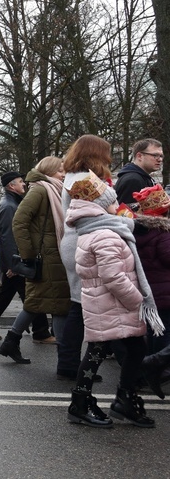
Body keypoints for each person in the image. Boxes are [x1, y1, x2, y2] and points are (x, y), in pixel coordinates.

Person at [64, 172, 163, 428]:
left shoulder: (98, 229)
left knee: (133, 349)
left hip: (109, 303)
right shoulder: (105, 234)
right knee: (98, 351)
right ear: (100, 206)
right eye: (112, 200)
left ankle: (124, 398)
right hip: (111, 304)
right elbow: (113, 277)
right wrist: (138, 302)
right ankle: (82, 403)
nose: (116, 204)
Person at [0, 157, 68, 363]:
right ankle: (66, 360)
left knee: (38, 302)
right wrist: (28, 255)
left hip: (53, 256)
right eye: (60, 170)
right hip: (47, 258)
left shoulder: (53, 189)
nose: (63, 174)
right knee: (59, 305)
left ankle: (11, 342)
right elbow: (19, 222)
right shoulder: (41, 189)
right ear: (49, 171)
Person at [58, 134, 114, 381]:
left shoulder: (73, 177)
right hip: (84, 243)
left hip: (75, 242)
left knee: (79, 306)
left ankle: (69, 363)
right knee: (82, 308)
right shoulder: (84, 180)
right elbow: (109, 206)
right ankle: (71, 365)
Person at [0, 172, 52, 342]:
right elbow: (10, 237)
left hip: (12, 262)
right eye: (20, 182)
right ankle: (41, 332)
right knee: (32, 296)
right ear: (11, 186)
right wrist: (14, 264)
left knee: (7, 294)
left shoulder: (11, 203)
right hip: (15, 262)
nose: (23, 184)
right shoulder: (9, 206)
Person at [131, 185, 170, 398]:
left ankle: (151, 365)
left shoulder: (141, 229)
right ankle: (158, 367)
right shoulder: (162, 232)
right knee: (164, 331)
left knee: (154, 331)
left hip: (150, 290)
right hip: (165, 289)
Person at [114, 139, 162, 207]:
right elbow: (127, 214)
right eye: (155, 155)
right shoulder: (133, 180)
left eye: (161, 156)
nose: (160, 159)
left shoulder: (142, 178)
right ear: (139, 156)